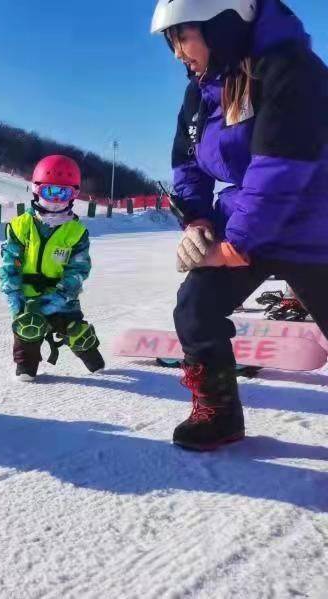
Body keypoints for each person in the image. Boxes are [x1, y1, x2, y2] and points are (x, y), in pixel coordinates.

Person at [151, 0, 328, 450]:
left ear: (223, 25)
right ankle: (219, 414)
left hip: (314, 222)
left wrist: (234, 246)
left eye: (183, 37)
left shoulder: (291, 69)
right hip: (249, 219)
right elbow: (188, 165)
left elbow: (280, 168)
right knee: (195, 306)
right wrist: (196, 222)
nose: (177, 54)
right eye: (172, 41)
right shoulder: (202, 89)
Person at [0, 155, 105, 382]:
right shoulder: (20, 226)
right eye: (50, 192)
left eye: (63, 193)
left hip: (62, 298)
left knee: (77, 332)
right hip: (28, 297)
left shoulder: (76, 232)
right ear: (36, 190)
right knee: (28, 327)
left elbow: (78, 270)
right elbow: (9, 265)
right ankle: (26, 367)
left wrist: (60, 296)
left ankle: (93, 358)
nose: (56, 199)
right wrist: (14, 297)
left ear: (74, 195)